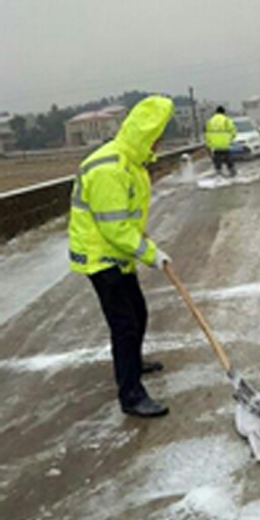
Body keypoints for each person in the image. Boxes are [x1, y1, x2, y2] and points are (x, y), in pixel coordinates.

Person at [68, 95, 175, 418]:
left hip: (117, 253)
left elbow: (124, 218)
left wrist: (140, 239)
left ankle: (134, 363)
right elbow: (114, 227)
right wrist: (152, 255)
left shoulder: (131, 162)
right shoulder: (109, 169)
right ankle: (131, 395)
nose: (158, 145)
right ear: (144, 136)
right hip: (101, 257)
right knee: (124, 324)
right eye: (156, 139)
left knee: (138, 313)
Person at [205, 106, 237, 177]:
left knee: (217, 160)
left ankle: (219, 175)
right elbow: (233, 131)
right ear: (223, 112)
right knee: (229, 160)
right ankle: (233, 173)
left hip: (215, 145)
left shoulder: (210, 121)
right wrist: (230, 139)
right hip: (225, 144)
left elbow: (207, 133)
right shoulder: (226, 120)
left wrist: (209, 144)